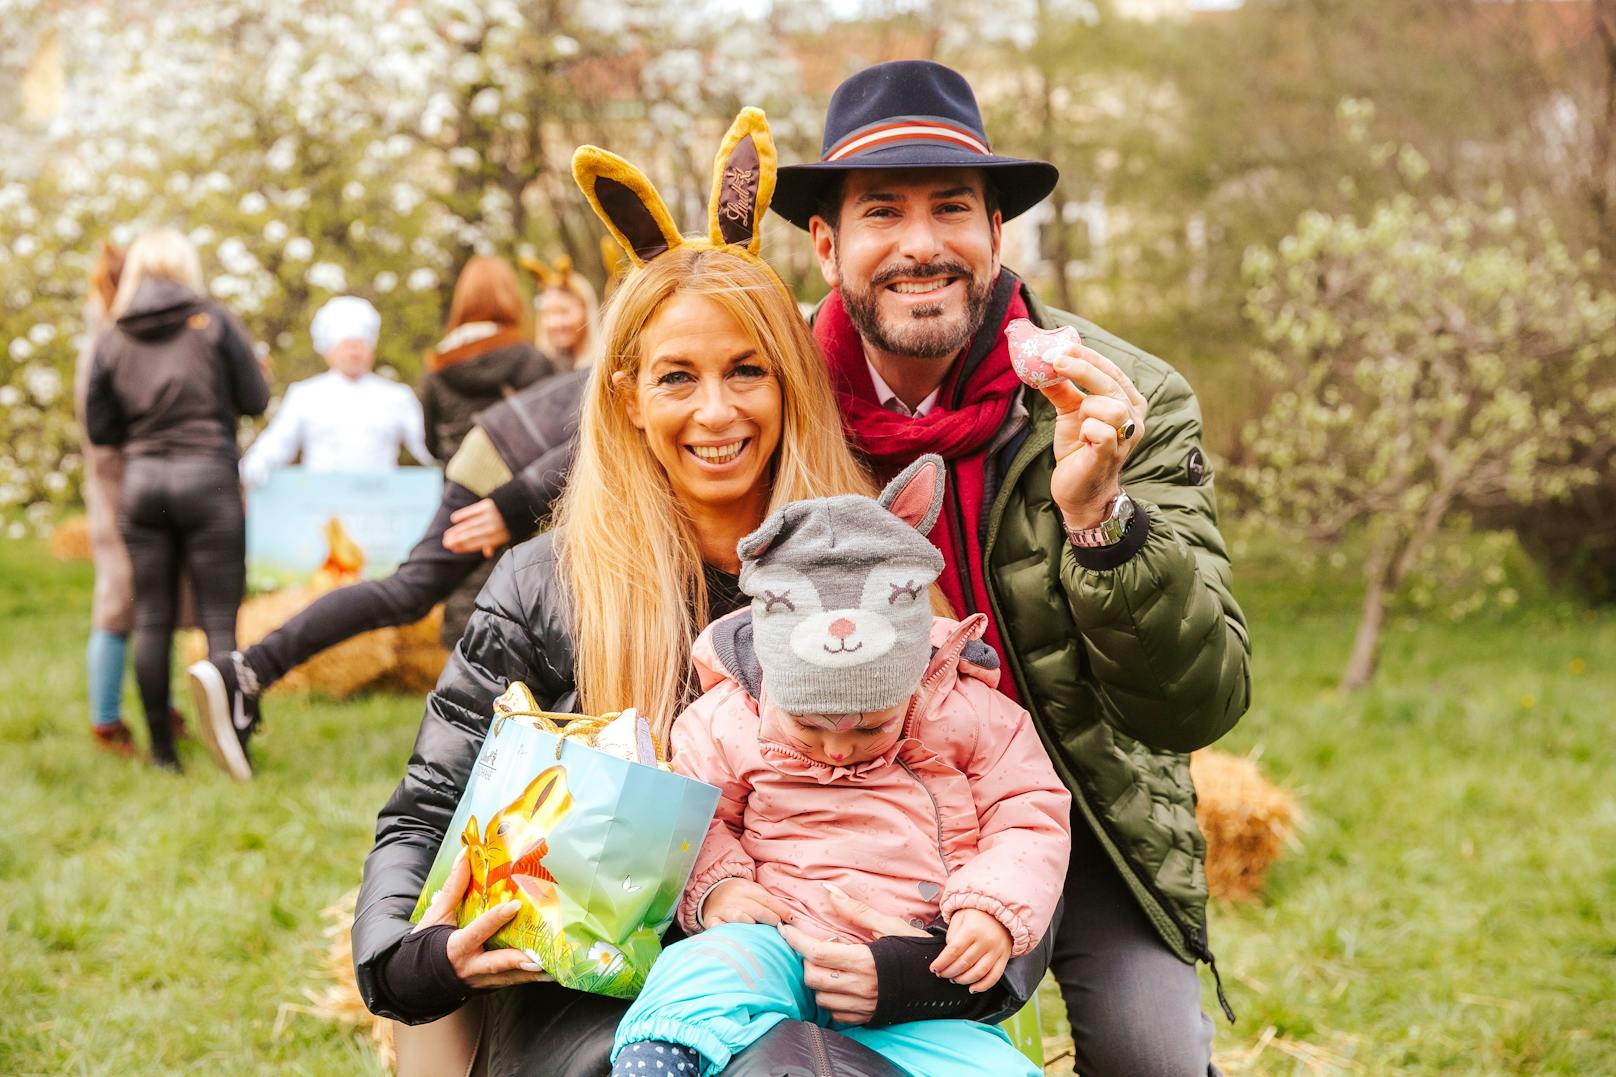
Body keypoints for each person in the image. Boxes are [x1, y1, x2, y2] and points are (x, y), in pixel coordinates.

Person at [353, 110, 1047, 1077]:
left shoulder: (873, 572)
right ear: (629, 395)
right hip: (605, 986)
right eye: (678, 377)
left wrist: (921, 973)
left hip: (850, 976)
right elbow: (429, 801)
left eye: (746, 372)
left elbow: (994, 799)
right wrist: (410, 959)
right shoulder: (549, 582)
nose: (716, 412)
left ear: (789, 383)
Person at [766, 60, 1253, 1075]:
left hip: (1073, 801)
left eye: (951, 209)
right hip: (844, 810)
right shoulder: (773, 399)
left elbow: (1195, 707)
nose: (919, 245)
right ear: (825, 244)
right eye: (881, 214)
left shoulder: (1120, 397)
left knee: (1149, 1055)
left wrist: (1098, 521)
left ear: (996, 234)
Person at [611, 454, 1070, 1077]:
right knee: (703, 972)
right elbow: (690, 815)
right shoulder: (727, 719)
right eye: (808, 728)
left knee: (996, 1069)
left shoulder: (969, 713)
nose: (836, 750)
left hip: (909, 951)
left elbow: (1028, 811)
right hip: (773, 932)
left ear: (913, 679)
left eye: (870, 728)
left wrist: (991, 908)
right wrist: (718, 885)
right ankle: (657, 1059)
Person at [185, 368, 589, 781]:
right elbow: (598, 433)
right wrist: (515, 503)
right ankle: (250, 669)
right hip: (510, 465)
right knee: (412, 590)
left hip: (511, 455)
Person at [83, 228, 270, 771]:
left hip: (143, 484)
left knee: (153, 619)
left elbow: (100, 429)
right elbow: (255, 399)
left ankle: (163, 754)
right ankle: (234, 744)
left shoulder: (112, 335)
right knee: (218, 620)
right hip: (208, 478)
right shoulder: (212, 321)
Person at [238, 294, 431, 486]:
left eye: (360, 345)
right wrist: (255, 464)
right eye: (347, 346)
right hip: (321, 504)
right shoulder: (305, 395)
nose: (354, 352)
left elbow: (425, 446)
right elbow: (278, 442)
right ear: (328, 352)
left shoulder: (398, 396)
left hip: (380, 505)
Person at [419, 256, 554, 463]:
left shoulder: (437, 365)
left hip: (459, 488)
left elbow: (431, 446)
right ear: (510, 296)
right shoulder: (530, 358)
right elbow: (551, 434)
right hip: (518, 489)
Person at [523, 255, 600, 370]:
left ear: (586, 310)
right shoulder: (538, 371)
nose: (554, 323)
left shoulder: (606, 365)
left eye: (564, 312)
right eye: (547, 313)